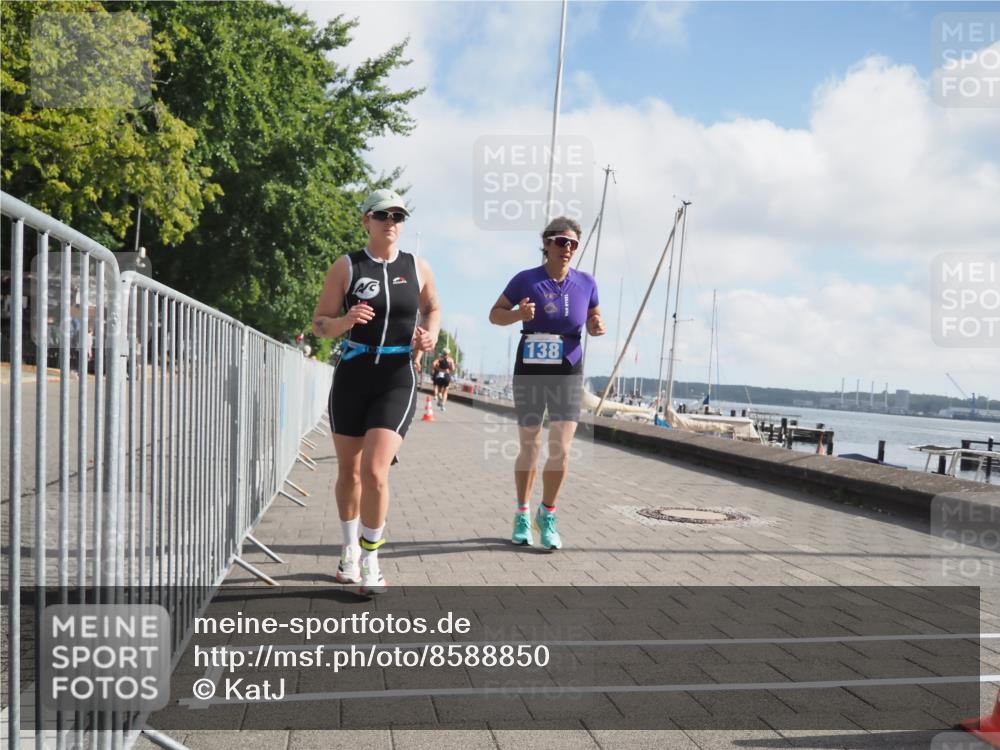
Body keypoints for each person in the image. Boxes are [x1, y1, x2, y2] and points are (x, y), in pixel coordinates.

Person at [312, 188, 439, 593]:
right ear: (366, 219)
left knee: (374, 471)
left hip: (396, 376)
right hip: (353, 373)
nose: (391, 222)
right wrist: (345, 320)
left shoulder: (417, 267)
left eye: (398, 216)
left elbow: (432, 307)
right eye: (383, 215)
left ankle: (370, 557)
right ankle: (348, 550)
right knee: (349, 472)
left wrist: (430, 336)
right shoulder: (346, 267)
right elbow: (319, 324)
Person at [488, 216, 605, 550]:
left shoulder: (586, 282)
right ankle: (523, 513)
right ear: (546, 243)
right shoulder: (526, 279)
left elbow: (595, 315)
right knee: (531, 446)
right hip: (531, 365)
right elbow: (495, 314)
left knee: (562, 448)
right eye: (559, 241)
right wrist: (517, 316)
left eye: (572, 243)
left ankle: (547, 513)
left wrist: (597, 325)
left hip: (568, 367)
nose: (566, 248)